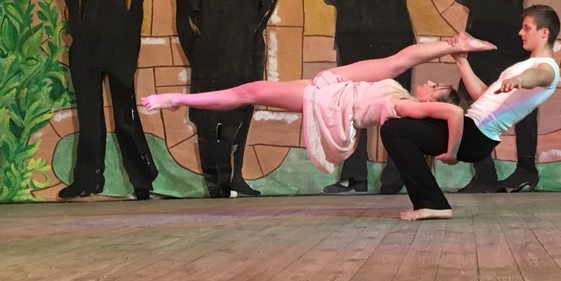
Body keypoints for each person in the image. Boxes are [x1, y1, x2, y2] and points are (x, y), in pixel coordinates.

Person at [140, 32, 497, 175]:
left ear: (433, 101)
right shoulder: (398, 93)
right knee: (396, 62)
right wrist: (457, 51)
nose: (429, 84)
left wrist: (451, 153)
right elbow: (403, 60)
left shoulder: (405, 108)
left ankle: (176, 99)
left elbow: (454, 113)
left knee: (250, 92)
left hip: (332, 102)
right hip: (341, 85)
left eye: (435, 87)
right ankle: (458, 42)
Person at [379, 4, 561, 221]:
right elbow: (484, 95)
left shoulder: (547, 67)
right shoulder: (524, 66)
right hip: (473, 132)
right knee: (398, 127)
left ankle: (433, 203)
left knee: (395, 130)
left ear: (544, 32)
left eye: (527, 28)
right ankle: (430, 201)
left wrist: (520, 79)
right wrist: (461, 59)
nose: (521, 33)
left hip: (475, 135)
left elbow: (540, 76)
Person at [176, 0, 282, 198]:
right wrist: (254, 29)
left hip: (210, 53)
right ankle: (233, 176)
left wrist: (193, 46)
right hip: (244, 53)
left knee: (208, 119)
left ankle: (218, 182)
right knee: (240, 114)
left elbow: (183, 7)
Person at [59, 0, 159, 201]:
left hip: (88, 41)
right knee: (125, 112)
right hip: (119, 40)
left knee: (89, 115)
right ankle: (142, 179)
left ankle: (88, 179)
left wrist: (78, 29)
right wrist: (132, 28)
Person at [322, 0, 417, 194]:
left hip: (355, 34)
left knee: (352, 105)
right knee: (397, 104)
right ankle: (395, 174)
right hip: (396, 32)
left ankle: (355, 175)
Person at [451, 0, 537, 192]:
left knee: (471, 104)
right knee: (522, 103)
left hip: (484, 36)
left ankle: (485, 174)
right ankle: (526, 170)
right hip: (512, 36)